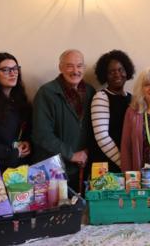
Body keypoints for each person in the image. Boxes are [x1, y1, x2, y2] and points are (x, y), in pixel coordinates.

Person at [32, 49, 95, 192]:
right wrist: (71, 155)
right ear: (60, 68)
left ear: (84, 68)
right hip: (54, 172)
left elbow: (94, 128)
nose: (75, 71)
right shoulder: (46, 93)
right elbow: (41, 134)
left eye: (79, 66)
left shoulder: (91, 92)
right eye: (69, 66)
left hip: (82, 169)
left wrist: (87, 151)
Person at [89, 50, 136, 173]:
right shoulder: (101, 97)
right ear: (104, 75)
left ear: (127, 71)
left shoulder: (132, 98)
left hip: (127, 165)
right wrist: (124, 163)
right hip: (107, 166)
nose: (117, 74)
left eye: (121, 69)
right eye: (111, 72)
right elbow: (102, 137)